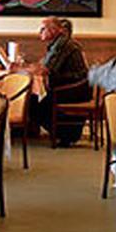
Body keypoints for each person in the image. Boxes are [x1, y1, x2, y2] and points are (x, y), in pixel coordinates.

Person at [34, 16, 90, 146]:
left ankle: (69, 133)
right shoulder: (57, 43)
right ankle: (67, 130)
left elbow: (46, 69)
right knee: (35, 99)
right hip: (72, 87)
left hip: (75, 90)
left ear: (54, 30)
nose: (39, 32)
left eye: (43, 29)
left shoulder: (63, 44)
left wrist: (21, 69)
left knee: (34, 101)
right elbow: (43, 66)